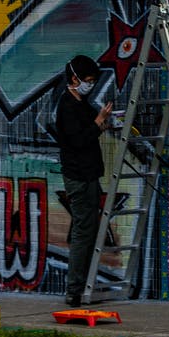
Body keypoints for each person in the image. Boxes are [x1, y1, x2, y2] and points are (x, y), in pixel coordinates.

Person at [55, 55, 112, 307]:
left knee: (88, 231)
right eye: (87, 81)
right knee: (82, 231)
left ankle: (83, 284)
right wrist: (98, 123)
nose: (90, 85)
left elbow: (90, 129)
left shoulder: (82, 103)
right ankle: (74, 288)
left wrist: (101, 122)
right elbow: (77, 141)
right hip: (78, 177)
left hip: (88, 174)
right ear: (75, 79)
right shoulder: (67, 106)